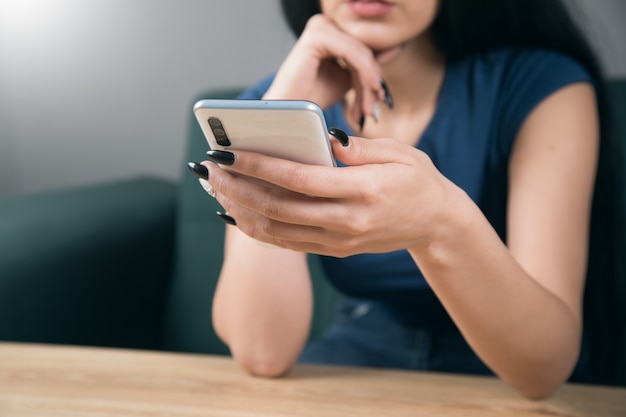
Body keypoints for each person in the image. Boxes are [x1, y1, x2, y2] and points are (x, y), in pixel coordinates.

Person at [187, 0, 623, 399]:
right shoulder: (276, 97)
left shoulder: (542, 85)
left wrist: (440, 224)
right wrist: (277, 122)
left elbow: (544, 368)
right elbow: (262, 353)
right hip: (358, 360)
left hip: (503, 380)